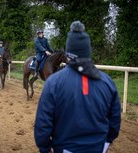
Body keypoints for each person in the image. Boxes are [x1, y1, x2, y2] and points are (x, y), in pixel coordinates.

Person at [34, 21, 121, 153]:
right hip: (98, 148)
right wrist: (105, 144)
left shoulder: (52, 83)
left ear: (68, 52)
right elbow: (114, 124)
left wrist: (45, 149)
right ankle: (36, 70)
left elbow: (42, 127)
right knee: (39, 61)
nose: (41, 34)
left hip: (64, 148)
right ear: (88, 51)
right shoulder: (108, 82)